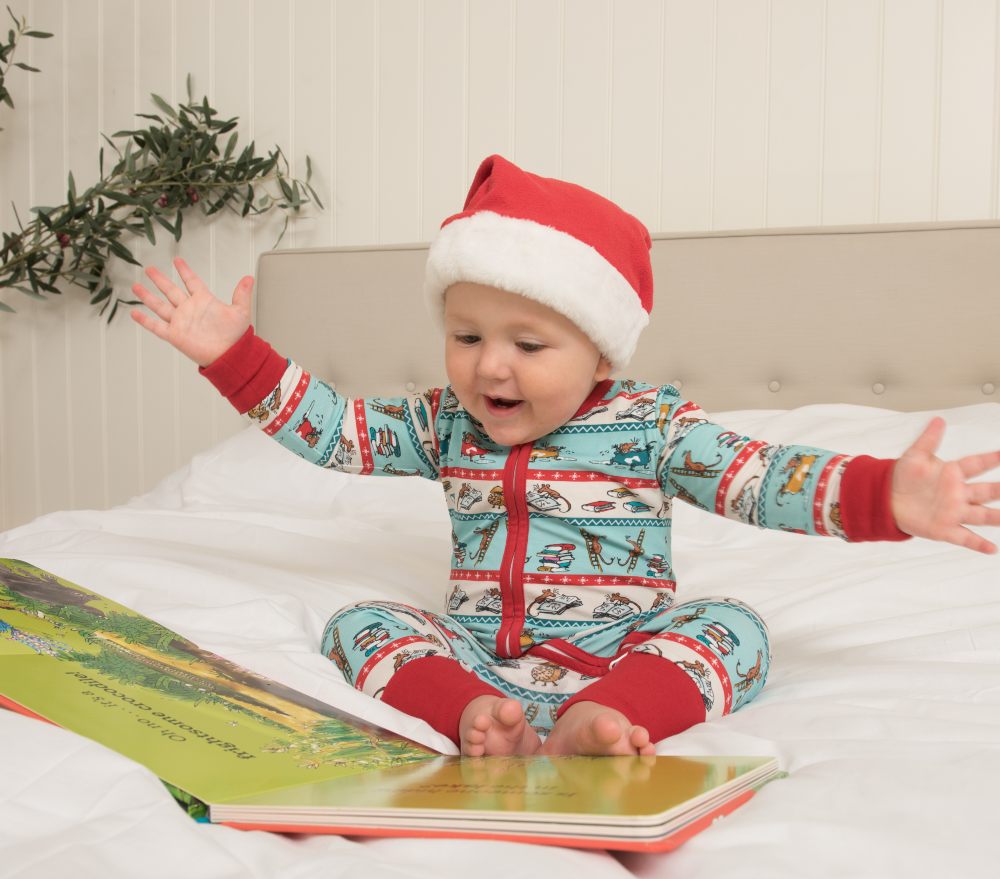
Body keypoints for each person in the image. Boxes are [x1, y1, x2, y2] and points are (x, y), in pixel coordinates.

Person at [130, 154, 1000, 758]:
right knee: (359, 623)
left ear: (603, 355)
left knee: (737, 628)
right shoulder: (444, 425)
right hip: (479, 648)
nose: (489, 365)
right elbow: (335, 429)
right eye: (466, 335)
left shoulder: (651, 427)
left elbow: (761, 478)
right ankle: (479, 718)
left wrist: (889, 497)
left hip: (625, 647)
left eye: (529, 345)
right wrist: (231, 355)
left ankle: (605, 720)